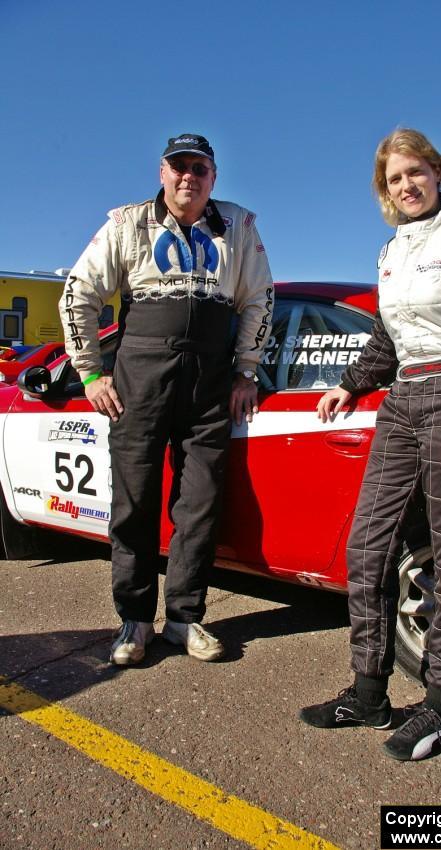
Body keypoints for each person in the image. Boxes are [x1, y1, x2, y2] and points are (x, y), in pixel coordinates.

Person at [299, 128, 441, 761]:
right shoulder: (390, 251)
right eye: (394, 179)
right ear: (385, 191)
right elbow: (390, 341)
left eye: (415, 172)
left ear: (438, 172)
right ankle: (368, 695)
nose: (407, 185)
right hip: (402, 403)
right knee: (367, 549)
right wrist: (348, 384)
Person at [59, 133, 273, 665]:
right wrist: (89, 373)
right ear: (162, 172)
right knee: (133, 502)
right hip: (140, 377)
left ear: (213, 177)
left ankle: (184, 618)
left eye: (199, 169)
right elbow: (78, 293)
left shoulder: (239, 225)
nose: (189, 178)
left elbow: (259, 298)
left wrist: (246, 370)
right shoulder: (128, 222)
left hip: (209, 381)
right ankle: (133, 621)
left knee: (199, 504)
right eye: (179, 167)